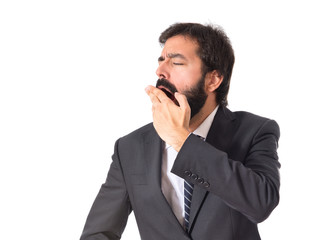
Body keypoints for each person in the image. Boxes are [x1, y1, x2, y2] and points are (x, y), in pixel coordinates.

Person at [80, 23, 280, 240]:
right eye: (161, 61)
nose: (160, 72)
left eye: (176, 62)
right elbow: (98, 233)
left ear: (213, 79)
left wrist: (182, 141)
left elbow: (261, 203)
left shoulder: (255, 131)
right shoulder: (130, 147)